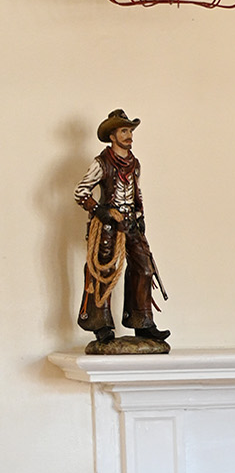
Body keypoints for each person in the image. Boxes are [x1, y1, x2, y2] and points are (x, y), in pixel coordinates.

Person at [75, 109, 169, 347]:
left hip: (131, 223)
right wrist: (103, 212)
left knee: (144, 267)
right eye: (124, 131)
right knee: (102, 271)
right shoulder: (101, 163)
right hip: (107, 226)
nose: (129, 136)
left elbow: (137, 192)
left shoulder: (134, 163)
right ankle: (100, 324)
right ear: (112, 135)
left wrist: (140, 215)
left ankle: (142, 322)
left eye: (130, 131)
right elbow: (81, 192)